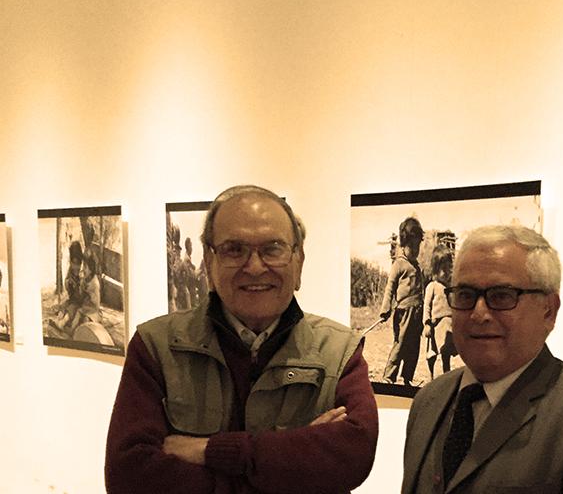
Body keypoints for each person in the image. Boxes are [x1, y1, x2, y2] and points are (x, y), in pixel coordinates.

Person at [105, 185, 378, 493]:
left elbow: (353, 455)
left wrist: (210, 451)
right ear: (209, 263)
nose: (255, 266)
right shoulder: (155, 346)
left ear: (298, 260)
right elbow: (129, 476)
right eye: (234, 249)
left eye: (272, 248)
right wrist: (292, 463)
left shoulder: (340, 351)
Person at [401, 225, 563, 493]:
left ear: (548, 311)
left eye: (501, 296)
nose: (478, 313)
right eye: (465, 295)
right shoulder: (428, 401)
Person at [379, 216, 425, 385]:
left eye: (417, 246)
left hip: (417, 313)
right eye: (411, 246)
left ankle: (407, 377)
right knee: (400, 344)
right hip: (403, 313)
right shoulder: (399, 264)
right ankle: (389, 377)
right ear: (403, 244)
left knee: (414, 346)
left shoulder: (418, 267)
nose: (415, 250)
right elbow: (390, 287)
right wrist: (385, 308)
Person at [423, 245, 456, 379]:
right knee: (433, 352)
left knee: (447, 351)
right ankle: (432, 375)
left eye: (449, 268)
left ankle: (446, 374)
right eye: (443, 269)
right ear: (436, 270)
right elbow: (427, 306)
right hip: (437, 326)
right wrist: (426, 323)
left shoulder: (450, 287)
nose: (447, 272)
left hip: (450, 324)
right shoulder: (433, 286)